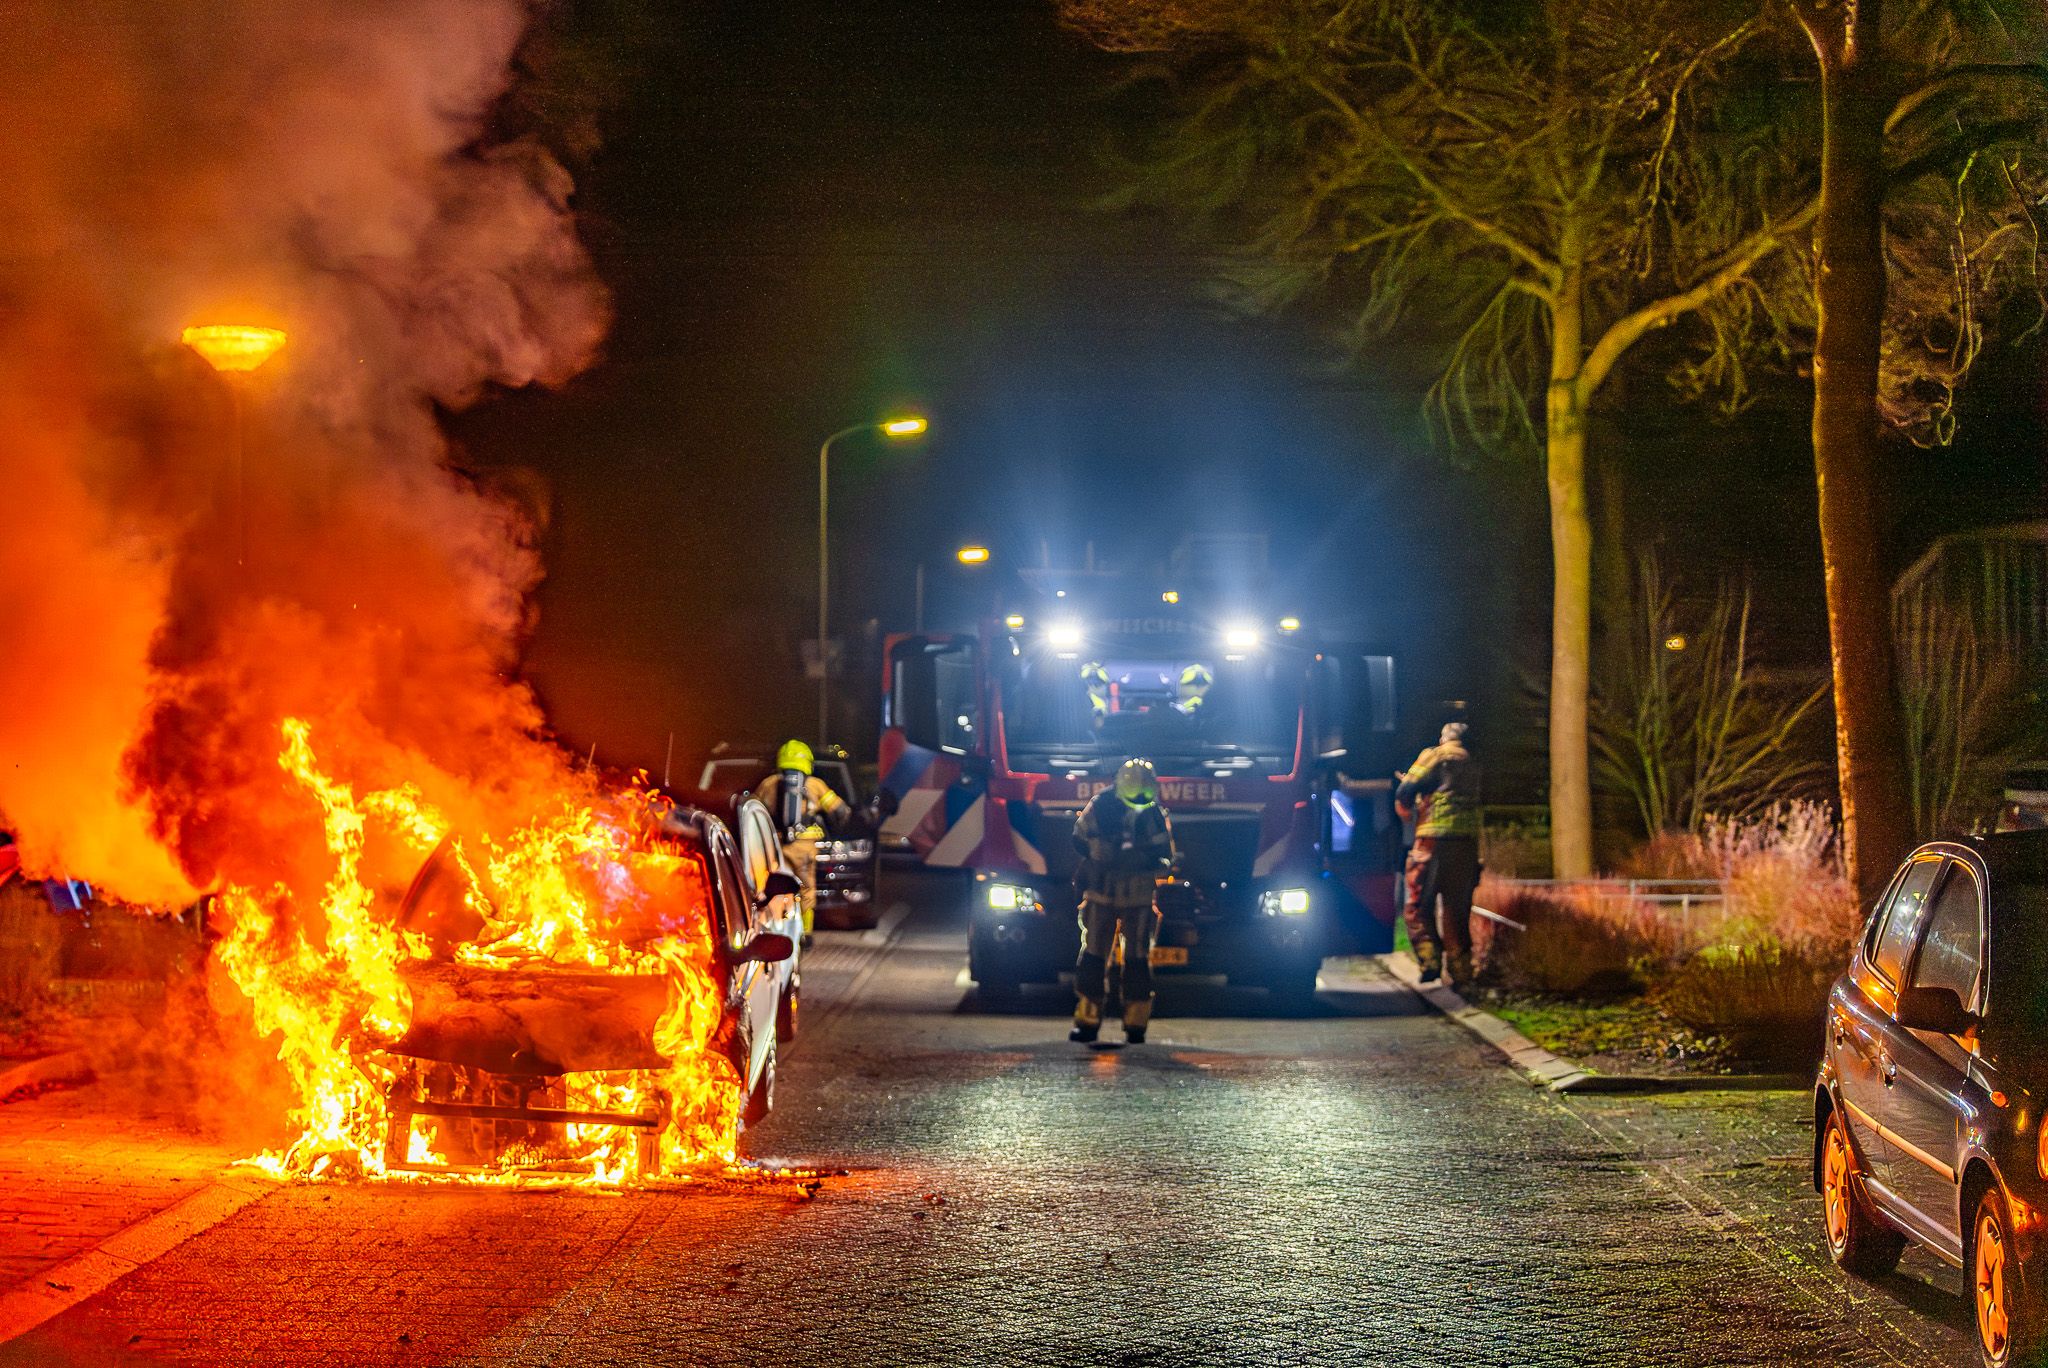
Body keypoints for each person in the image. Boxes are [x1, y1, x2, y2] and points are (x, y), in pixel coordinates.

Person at [1069, 757, 1176, 1045]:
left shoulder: (1153, 814)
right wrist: (1095, 849)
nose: (1139, 801)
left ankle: (1136, 1024)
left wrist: (1152, 862)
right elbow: (1078, 836)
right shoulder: (1100, 806)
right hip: (1101, 895)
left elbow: (1166, 855)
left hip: (1139, 897)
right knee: (1093, 956)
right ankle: (1087, 1022)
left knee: (1138, 961)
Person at [1395, 721, 1482, 985]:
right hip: (1466, 843)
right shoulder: (1474, 763)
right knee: (1457, 907)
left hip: (1432, 841)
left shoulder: (1434, 755)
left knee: (1418, 904)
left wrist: (1405, 806)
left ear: (1444, 739)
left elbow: (1406, 788)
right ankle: (1461, 970)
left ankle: (1429, 960)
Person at [750, 739, 846, 940]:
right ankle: (805, 934)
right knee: (806, 888)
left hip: (774, 848)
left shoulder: (768, 784)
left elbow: (753, 811)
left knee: (774, 888)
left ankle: (774, 930)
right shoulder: (815, 785)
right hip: (803, 850)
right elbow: (840, 811)